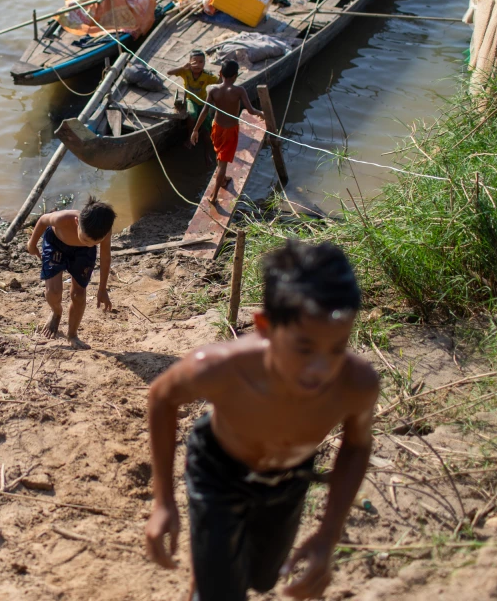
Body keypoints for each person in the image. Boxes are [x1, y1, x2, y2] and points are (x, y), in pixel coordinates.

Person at [145, 239, 377, 601]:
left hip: (289, 477)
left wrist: (329, 534)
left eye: (337, 347)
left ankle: (211, 576)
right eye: (304, 348)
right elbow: (161, 396)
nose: (321, 369)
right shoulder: (221, 367)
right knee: (222, 592)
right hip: (219, 471)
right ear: (265, 327)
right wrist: (163, 501)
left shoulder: (356, 384)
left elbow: (358, 444)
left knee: (264, 578)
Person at [26, 198, 116, 348]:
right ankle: (56, 312)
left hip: (83, 254)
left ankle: (72, 334)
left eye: (95, 242)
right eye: (86, 239)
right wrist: (32, 244)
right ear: (77, 222)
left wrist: (102, 289)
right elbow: (42, 220)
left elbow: (105, 258)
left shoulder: (103, 232)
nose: (89, 243)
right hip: (56, 244)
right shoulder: (63, 218)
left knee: (79, 295)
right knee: (53, 292)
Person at [190, 59, 262, 204]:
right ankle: (214, 195)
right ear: (235, 76)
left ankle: (222, 179)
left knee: (219, 154)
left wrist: (195, 130)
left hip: (216, 127)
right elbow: (250, 110)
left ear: (220, 73)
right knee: (223, 163)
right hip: (230, 130)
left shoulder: (212, 89)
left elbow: (204, 111)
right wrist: (262, 113)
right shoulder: (239, 91)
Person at [168, 50, 219, 156]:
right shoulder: (185, 72)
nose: (198, 65)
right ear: (189, 63)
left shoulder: (207, 75)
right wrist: (182, 67)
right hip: (191, 100)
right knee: (192, 114)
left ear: (204, 64)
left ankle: (207, 153)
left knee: (207, 126)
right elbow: (169, 72)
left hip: (203, 101)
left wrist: (223, 76)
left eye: (201, 62)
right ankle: (190, 137)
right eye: (194, 62)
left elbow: (219, 82)